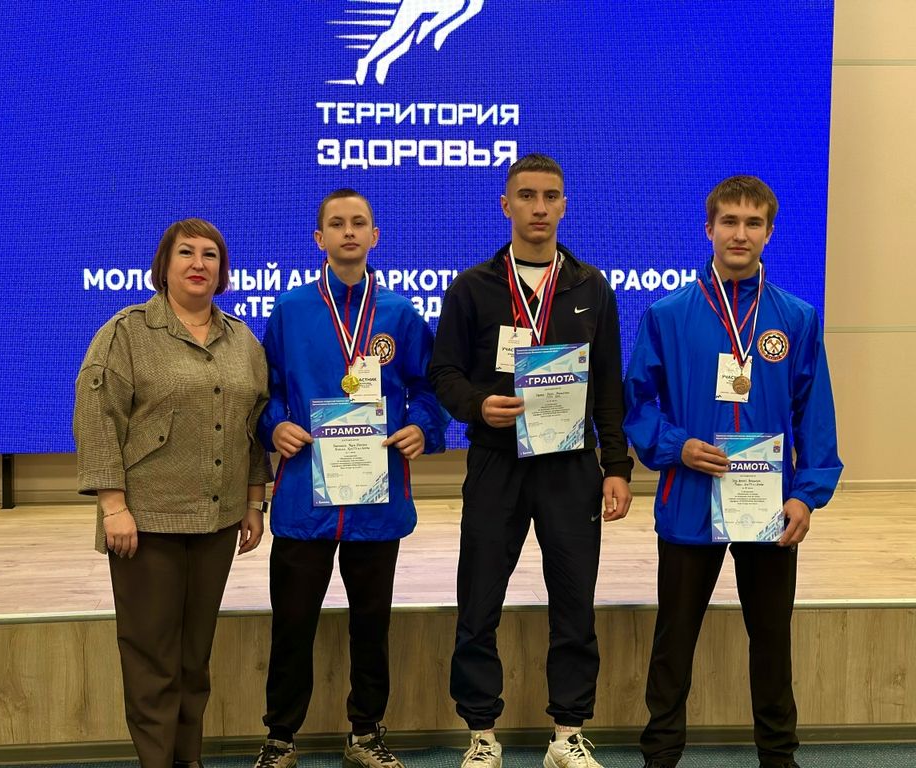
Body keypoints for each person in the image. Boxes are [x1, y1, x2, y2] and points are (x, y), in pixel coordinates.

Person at [622, 176, 843, 768]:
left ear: (769, 233)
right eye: (729, 221)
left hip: (768, 506)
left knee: (771, 640)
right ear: (709, 228)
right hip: (690, 500)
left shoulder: (796, 318)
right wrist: (677, 446)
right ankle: (661, 755)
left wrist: (806, 495)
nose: (740, 234)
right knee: (674, 641)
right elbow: (636, 404)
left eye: (752, 223)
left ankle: (779, 756)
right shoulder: (668, 315)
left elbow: (816, 414)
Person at [429, 153, 633, 768]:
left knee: (574, 603)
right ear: (506, 205)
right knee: (478, 601)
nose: (539, 207)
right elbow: (443, 372)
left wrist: (616, 467)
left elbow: (608, 386)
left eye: (550, 196)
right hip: (497, 463)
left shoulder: (591, 287)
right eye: (526, 195)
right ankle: (481, 735)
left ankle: (566, 734)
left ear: (564, 205)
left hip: (571, 467)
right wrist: (476, 406)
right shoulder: (473, 287)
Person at [252, 189, 449, 768]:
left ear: (374, 236)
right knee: (292, 626)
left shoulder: (400, 314)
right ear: (319, 238)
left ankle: (366, 734)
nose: (348, 232)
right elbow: (265, 391)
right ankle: (280, 737)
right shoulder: (290, 311)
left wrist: (421, 427)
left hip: (374, 498)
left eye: (358, 222)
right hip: (303, 499)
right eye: (336, 224)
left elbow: (430, 388)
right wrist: (274, 425)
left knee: (370, 625)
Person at [74, 218, 272, 768]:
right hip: (146, 523)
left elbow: (252, 427)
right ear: (164, 266)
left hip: (218, 522)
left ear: (222, 271)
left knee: (193, 657)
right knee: (152, 659)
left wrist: (253, 501)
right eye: (186, 252)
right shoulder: (127, 332)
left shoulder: (243, 340)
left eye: (210, 254)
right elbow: (97, 419)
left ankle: (189, 758)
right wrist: (113, 506)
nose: (198, 264)